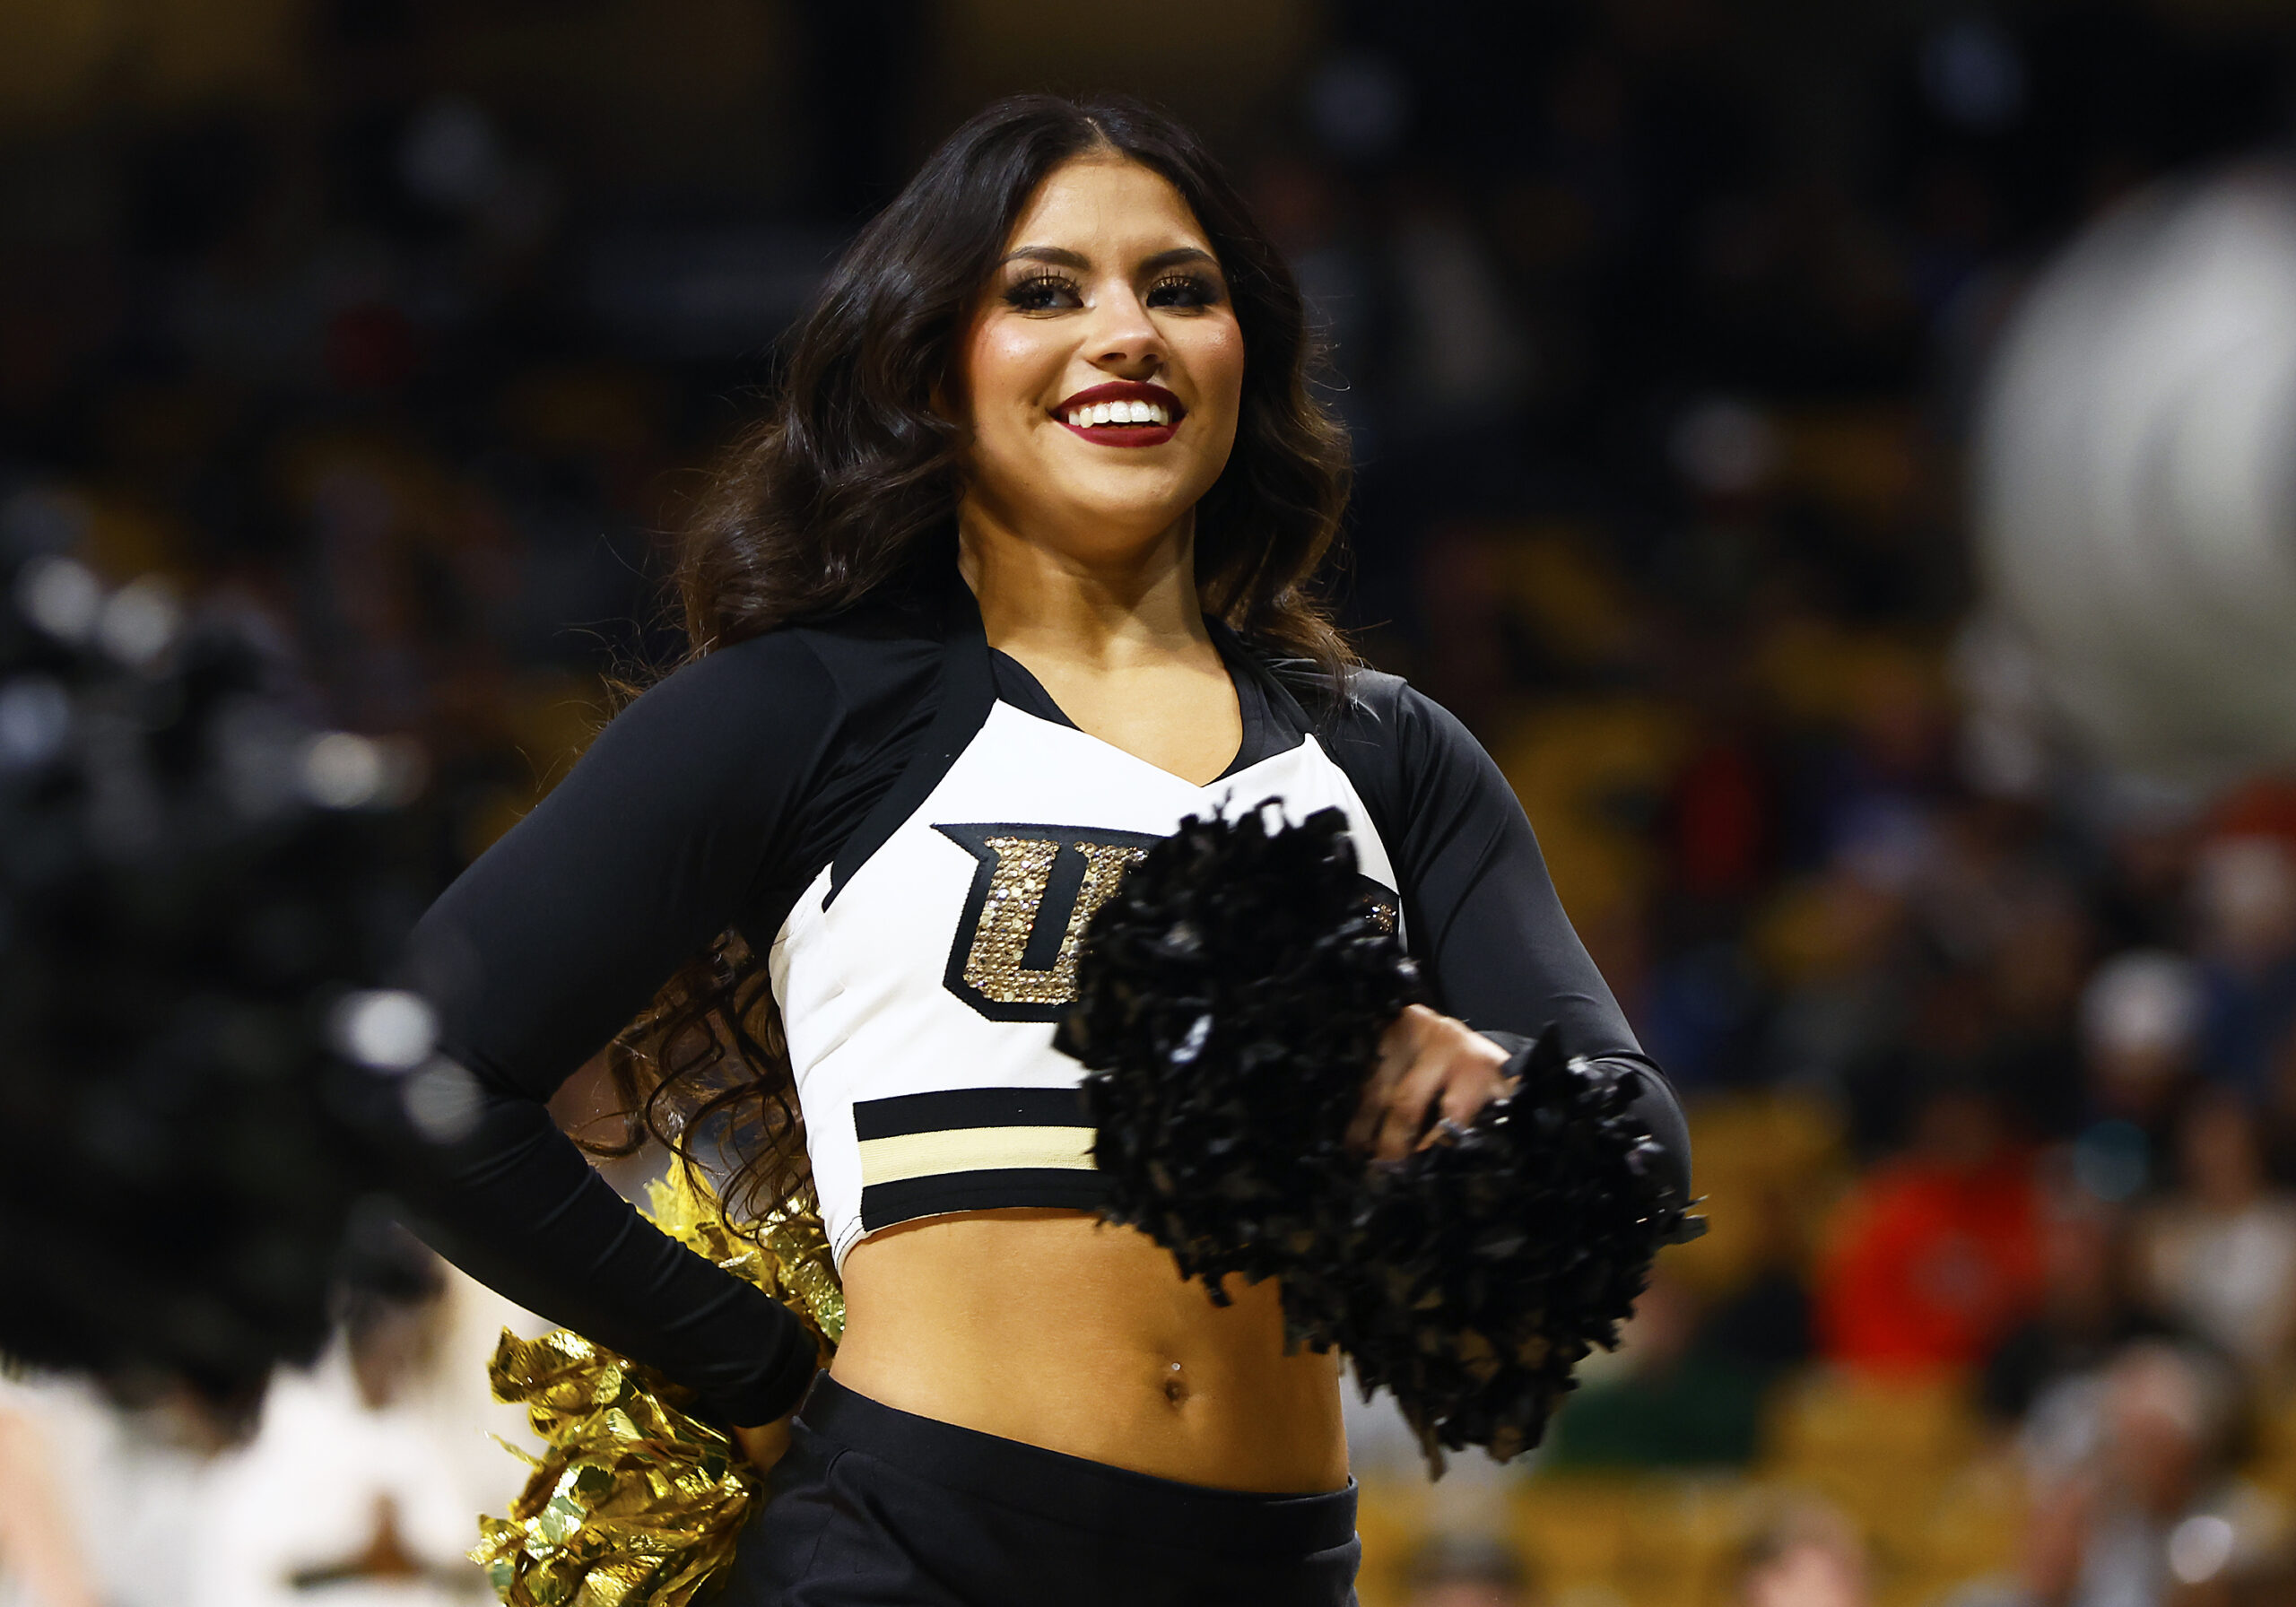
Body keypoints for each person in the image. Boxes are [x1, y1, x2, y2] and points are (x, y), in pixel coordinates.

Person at [384, 94, 1689, 1606]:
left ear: (1243, 356)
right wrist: (745, 1369)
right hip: (906, 1550)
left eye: (1182, 291)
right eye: (1047, 291)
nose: (1126, 331)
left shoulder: (1391, 756)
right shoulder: (808, 707)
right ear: (936, 365)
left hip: (1277, 1568)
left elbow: (1633, 1138)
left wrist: (1476, 1095)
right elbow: (412, 1069)